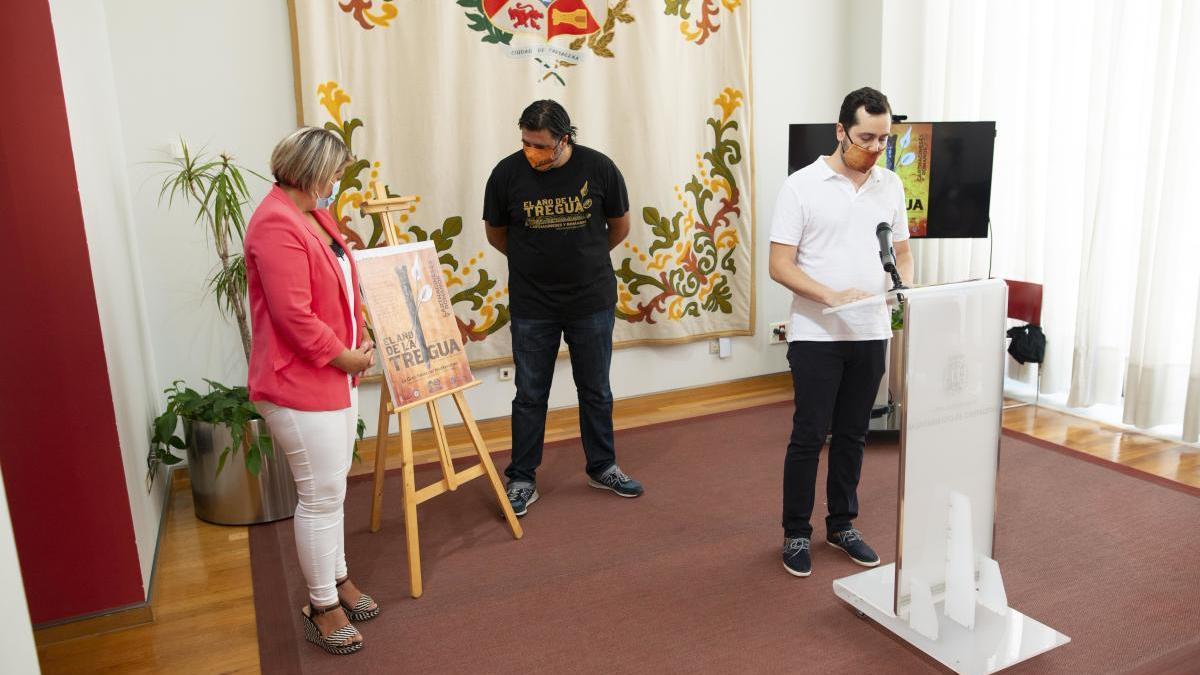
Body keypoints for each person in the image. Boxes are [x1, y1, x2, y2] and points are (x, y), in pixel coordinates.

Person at [767, 87, 914, 577]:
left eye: (883, 140)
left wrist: (904, 290)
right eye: (865, 138)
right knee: (810, 435)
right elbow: (779, 265)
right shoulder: (801, 187)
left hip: (872, 331)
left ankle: (842, 524)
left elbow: (904, 252)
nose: (874, 149)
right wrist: (830, 297)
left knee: (855, 434)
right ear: (840, 131)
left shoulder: (890, 185)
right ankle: (795, 533)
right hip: (816, 333)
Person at [245, 127, 380, 654]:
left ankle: (339, 579)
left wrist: (359, 333)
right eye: (335, 174)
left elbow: (341, 284)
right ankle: (321, 606)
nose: (338, 184)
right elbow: (293, 316)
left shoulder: (314, 214)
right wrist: (345, 353)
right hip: (295, 381)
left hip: (331, 373)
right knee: (319, 496)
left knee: (334, 488)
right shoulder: (274, 224)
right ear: (310, 173)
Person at [483, 100, 644, 517]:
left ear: (564, 140)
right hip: (532, 302)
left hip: (590, 299)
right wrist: (534, 263)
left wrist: (585, 257)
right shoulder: (506, 173)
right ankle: (522, 477)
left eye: (540, 146)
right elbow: (496, 233)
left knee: (595, 388)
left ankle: (602, 465)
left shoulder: (600, 168)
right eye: (525, 144)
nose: (531, 153)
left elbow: (620, 225)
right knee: (530, 394)